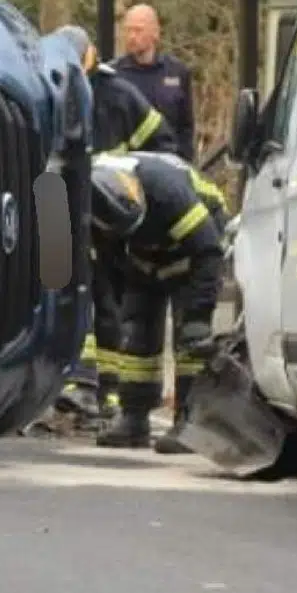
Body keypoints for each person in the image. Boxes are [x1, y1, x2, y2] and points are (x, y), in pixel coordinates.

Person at [51, 26, 182, 426]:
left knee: (107, 299)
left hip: (112, 214)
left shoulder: (119, 95)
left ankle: (102, 389)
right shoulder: (53, 90)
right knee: (67, 293)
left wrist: (133, 184)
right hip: (65, 210)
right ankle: (77, 382)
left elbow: (162, 144)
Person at [88, 151, 228, 452]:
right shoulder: (91, 194)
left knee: (189, 338)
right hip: (142, 252)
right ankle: (134, 417)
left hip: (197, 245)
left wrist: (199, 315)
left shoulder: (168, 194)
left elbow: (208, 252)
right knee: (137, 327)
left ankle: (190, 421)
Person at [114, 5, 197, 162]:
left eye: (138, 30)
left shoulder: (177, 72)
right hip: (128, 168)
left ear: (155, 33)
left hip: (169, 164)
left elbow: (186, 126)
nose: (132, 36)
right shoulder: (114, 75)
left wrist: (185, 162)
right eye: (128, 30)